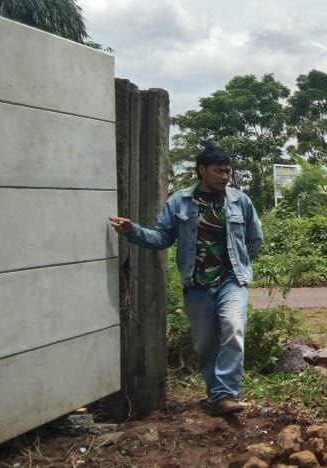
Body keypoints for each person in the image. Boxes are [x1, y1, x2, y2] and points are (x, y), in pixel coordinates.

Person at [109, 145, 263, 416]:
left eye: (228, 171)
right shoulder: (179, 202)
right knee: (205, 344)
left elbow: (254, 239)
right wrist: (133, 231)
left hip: (231, 281)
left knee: (233, 328)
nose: (225, 176)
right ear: (201, 170)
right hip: (196, 284)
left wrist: (239, 264)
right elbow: (162, 238)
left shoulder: (241, 201)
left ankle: (226, 394)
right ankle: (216, 398)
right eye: (219, 171)